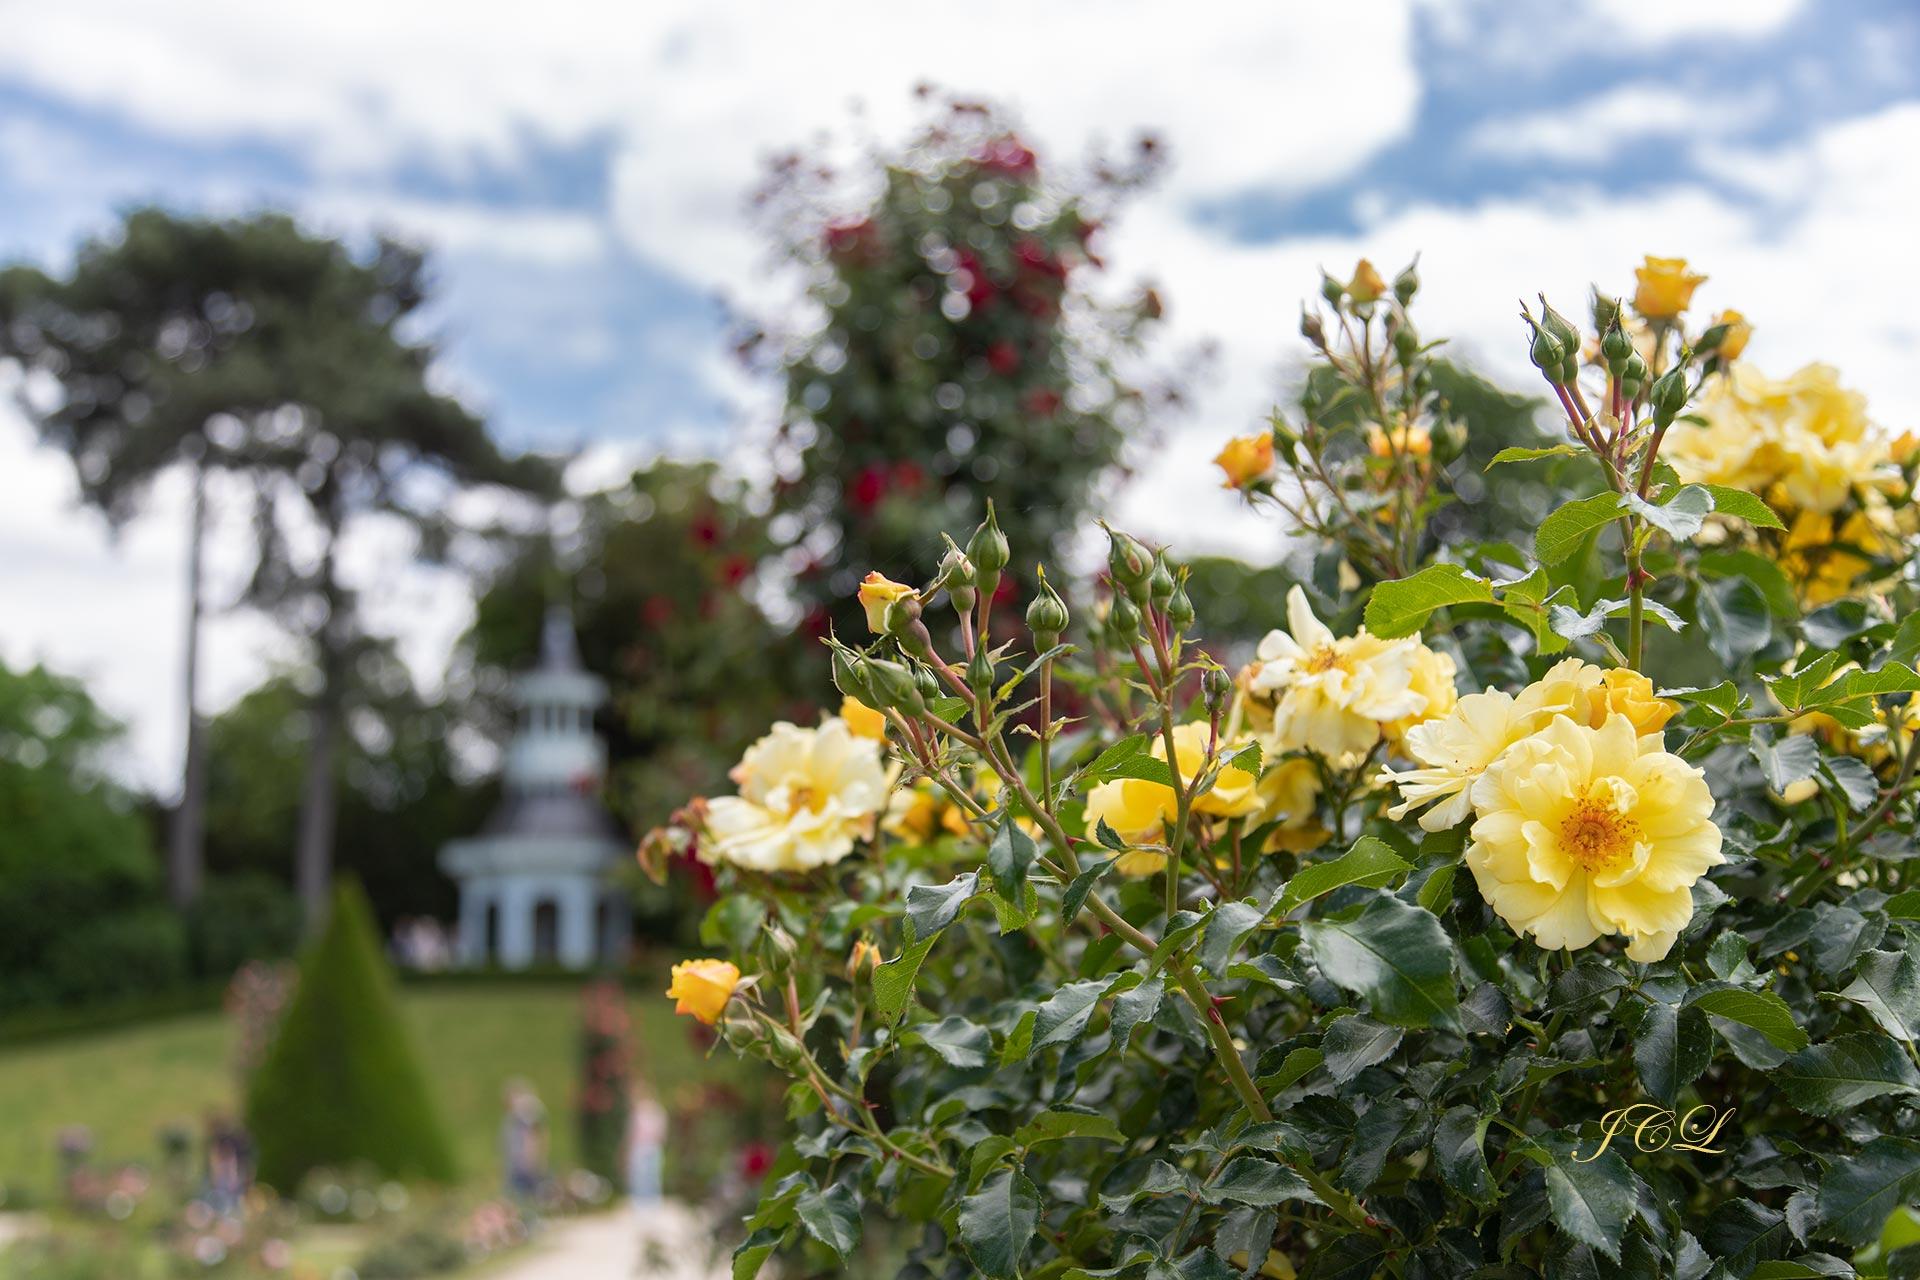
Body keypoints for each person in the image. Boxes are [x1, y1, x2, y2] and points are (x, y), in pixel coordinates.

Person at [500, 1080, 548, 1203]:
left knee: (525, 1195)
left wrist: (531, 1160)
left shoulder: (525, 1117)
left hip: (524, 1165)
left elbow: (532, 1139)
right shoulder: (515, 1118)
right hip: (517, 1165)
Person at [624, 1081, 668, 1211]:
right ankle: (640, 1202)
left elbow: (662, 1131)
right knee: (640, 1176)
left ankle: (652, 1201)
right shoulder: (639, 1112)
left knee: (652, 1175)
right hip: (641, 1147)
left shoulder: (656, 1111)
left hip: (651, 1146)